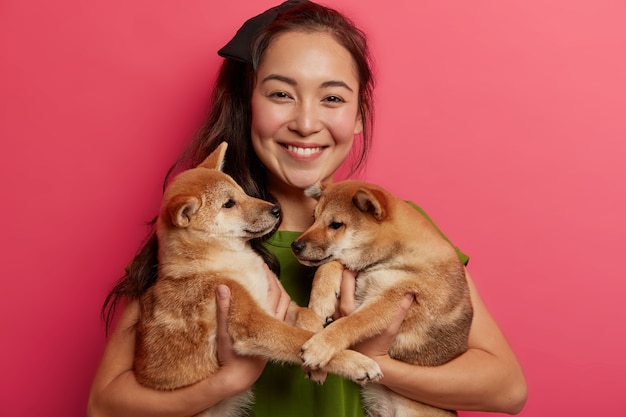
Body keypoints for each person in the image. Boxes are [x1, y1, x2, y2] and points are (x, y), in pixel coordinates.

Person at [87, 1, 527, 416]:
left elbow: (506, 387)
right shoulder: (198, 237)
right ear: (248, 105)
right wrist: (227, 381)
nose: (305, 122)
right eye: (281, 94)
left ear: (358, 115)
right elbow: (105, 404)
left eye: (332, 98)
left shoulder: (393, 228)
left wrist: (368, 359)